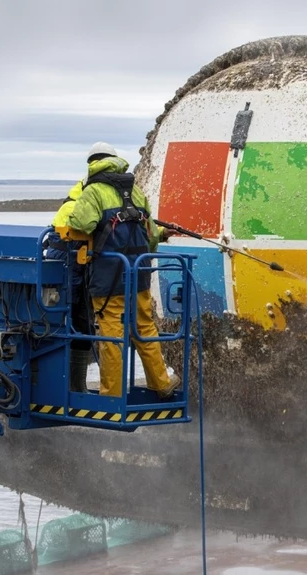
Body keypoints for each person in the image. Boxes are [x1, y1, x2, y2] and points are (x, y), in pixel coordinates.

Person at [66, 142, 179, 398]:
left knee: (112, 334)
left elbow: (83, 225)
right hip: (138, 273)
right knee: (144, 326)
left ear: (92, 164)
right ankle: (161, 383)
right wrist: (162, 234)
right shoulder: (135, 192)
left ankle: (112, 395)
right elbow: (149, 236)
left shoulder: (93, 191)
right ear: (116, 161)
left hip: (108, 276)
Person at [45, 177, 94, 392]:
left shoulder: (71, 204)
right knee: (77, 324)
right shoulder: (78, 208)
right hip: (70, 272)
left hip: (66, 272)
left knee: (72, 325)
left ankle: (71, 385)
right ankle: (74, 386)